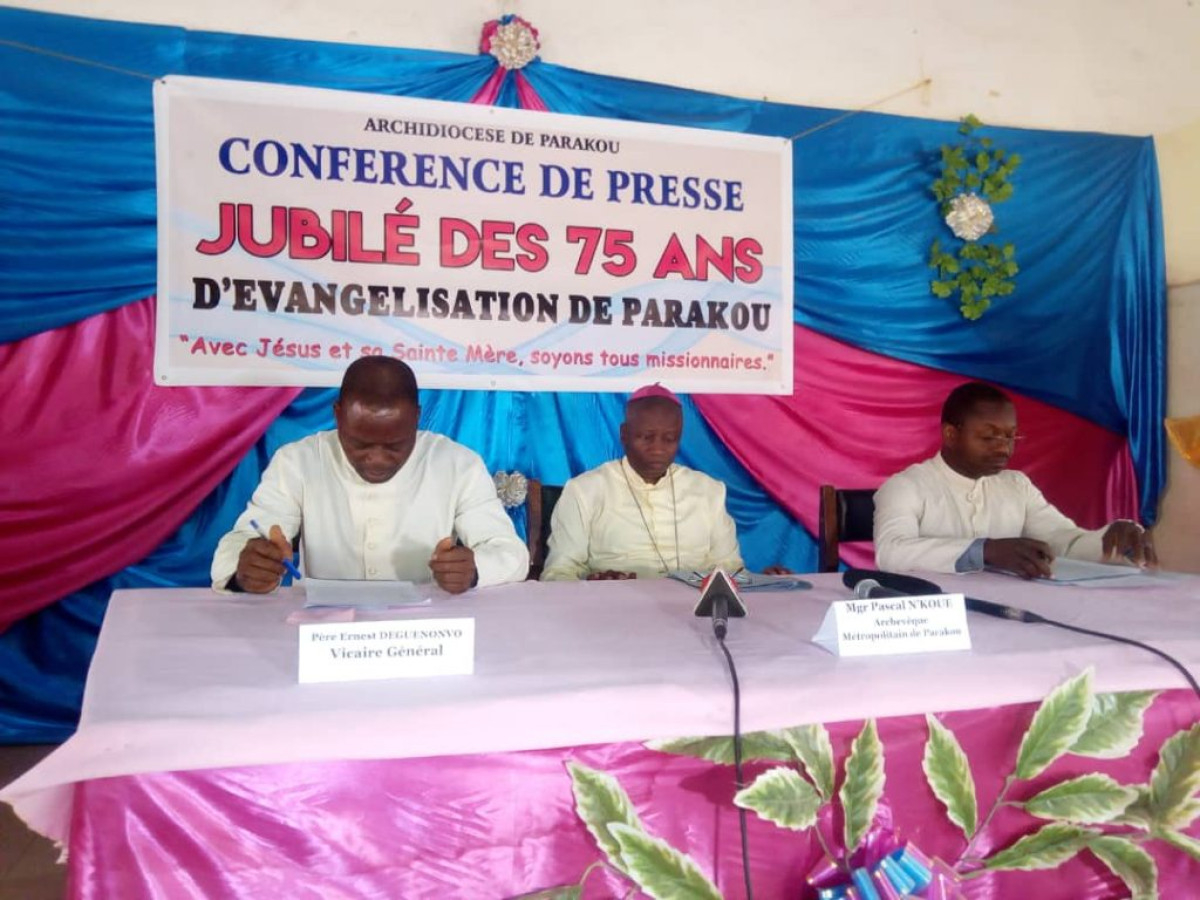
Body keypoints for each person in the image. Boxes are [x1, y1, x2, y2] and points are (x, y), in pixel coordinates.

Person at [211, 357, 528, 594]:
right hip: (321, 630)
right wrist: (246, 568)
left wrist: (474, 570)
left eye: (394, 445)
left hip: (426, 633)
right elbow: (239, 544)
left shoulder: (458, 464)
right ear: (337, 415)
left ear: (416, 418)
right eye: (359, 443)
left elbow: (511, 553)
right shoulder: (296, 462)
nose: (376, 458)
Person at [873, 381, 1155, 578]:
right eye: (989, 437)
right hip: (936, 620)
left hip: (1011, 614)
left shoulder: (1016, 486)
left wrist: (1110, 540)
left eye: (1010, 436)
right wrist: (985, 551)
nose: (1003, 448)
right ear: (950, 434)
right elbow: (891, 553)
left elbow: (1063, 542)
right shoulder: (906, 487)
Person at [540, 384, 747, 581]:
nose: (657, 449)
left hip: (694, 603)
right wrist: (596, 586)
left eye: (669, 438)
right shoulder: (584, 490)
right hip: (613, 602)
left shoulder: (709, 491)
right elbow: (558, 572)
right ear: (624, 434)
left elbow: (731, 569)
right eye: (646, 437)